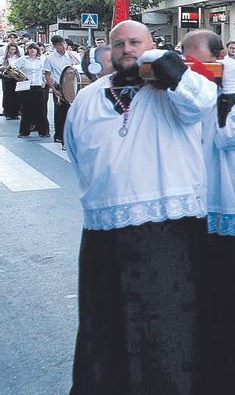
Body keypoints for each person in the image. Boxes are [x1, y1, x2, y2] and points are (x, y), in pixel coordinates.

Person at [66, 20, 217, 394]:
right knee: (104, 325)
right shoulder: (89, 97)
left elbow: (202, 103)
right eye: (119, 44)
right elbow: (75, 151)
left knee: (165, 325)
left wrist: (168, 68)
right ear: (109, 50)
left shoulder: (176, 89)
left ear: (151, 46)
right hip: (104, 229)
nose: (127, 50)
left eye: (136, 42)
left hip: (166, 231)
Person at [181, 29, 235, 394]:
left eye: (196, 59)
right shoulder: (188, 93)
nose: (190, 67)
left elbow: (229, 139)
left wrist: (228, 90)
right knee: (204, 299)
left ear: (219, 59)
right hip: (199, 208)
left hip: (233, 206)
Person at [42, 35, 81, 145]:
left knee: (73, 110)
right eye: (59, 45)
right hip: (59, 85)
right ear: (54, 46)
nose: (63, 47)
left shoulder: (72, 55)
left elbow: (80, 67)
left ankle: (71, 134)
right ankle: (59, 135)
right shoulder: (50, 58)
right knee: (60, 111)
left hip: (72, 85)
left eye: (63, 44)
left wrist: (74, 57)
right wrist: (54, 89)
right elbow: (47, 75)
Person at [15, 43, 50, 138]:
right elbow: (13, 69)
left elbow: (45, 72)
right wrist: (19, 77)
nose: (32, 50)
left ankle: (43, 131)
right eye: (30, 49)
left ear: (37, 50)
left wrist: (45, 82)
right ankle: (24, 132)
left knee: (41, 110)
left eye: (34, 48)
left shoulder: (42, 60)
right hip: (26, 87)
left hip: (38, 86)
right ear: (27, 50)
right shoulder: (23, 59)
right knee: (26, 109)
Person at [1, 42, 22, 120]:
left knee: (16, 95)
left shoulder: (18, 57)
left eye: (14, 49)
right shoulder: (4, 58)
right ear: (8, 50)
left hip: (16, 78)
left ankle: (16, 113)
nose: (12, 51)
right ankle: (8, 113)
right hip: (7, 78)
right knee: (8, 95)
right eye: (11, 49)